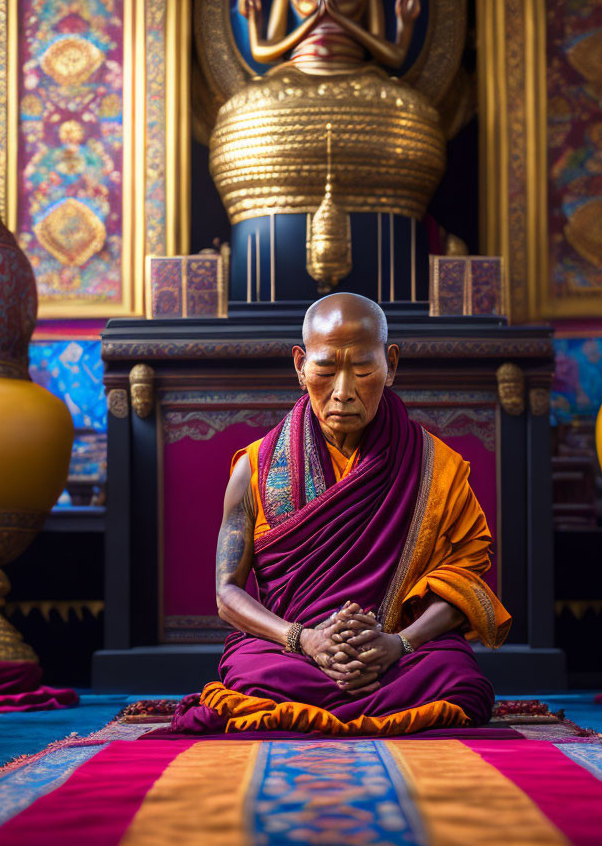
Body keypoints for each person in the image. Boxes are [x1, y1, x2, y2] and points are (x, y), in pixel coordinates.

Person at [172, 293, 511, 735]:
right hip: (293, 651)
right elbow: (227, 595)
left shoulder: (436, 467)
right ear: (300, 365)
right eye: (326, 370)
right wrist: (307, 640)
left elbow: (466, 574)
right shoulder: (254, 468)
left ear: (391, 365)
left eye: (364, 370)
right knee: (253, 670)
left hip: (396, 652)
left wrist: (397, 643)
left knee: (453, 673)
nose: (344, 392)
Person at [237, 0, 421, 76]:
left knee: (395, 93)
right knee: (261, 92)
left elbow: (393, 58)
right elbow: (262, 53)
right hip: (299, 76)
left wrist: (406, 24)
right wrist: (254, 20)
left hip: (354, 76)